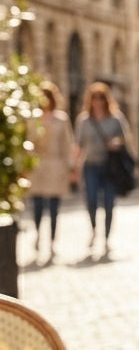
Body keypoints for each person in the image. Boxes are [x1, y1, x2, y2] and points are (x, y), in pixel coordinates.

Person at [73, 81, 134, 256]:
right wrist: (74, 168)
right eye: (94, 98)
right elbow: (77, 145)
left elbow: (126, 139)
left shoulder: (116, 119)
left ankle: (107, 239)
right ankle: (93, 230)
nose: (98, 101)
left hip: (110, 167)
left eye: (101, 98)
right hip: (90, 165)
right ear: (90, 100)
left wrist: (117, 143)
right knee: (91, 201)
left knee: (109, 203)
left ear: (106, 99)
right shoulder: (84, 121)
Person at [26, 81, 76, 262]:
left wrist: (70, 167)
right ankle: (38, 234)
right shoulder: (33, 117)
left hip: (56, 166)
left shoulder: (61, 119)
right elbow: (28, 143)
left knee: (54, 207)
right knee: (37, 206)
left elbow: (67, 144)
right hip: (38, 167)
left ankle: (53, 242)